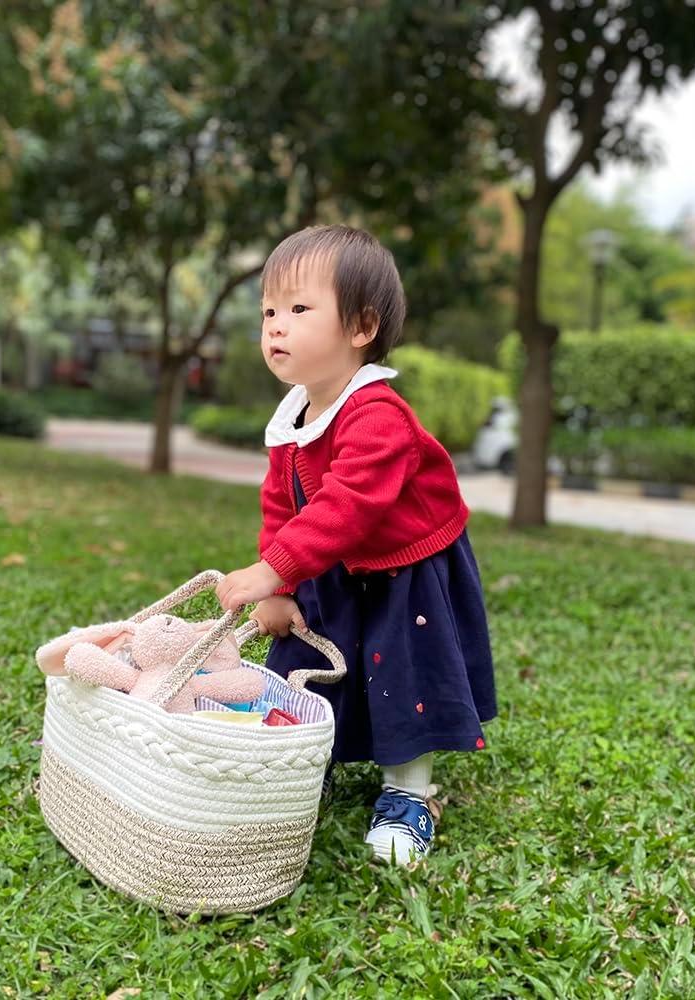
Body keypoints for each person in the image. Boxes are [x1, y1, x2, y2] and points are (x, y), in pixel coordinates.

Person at [215, 224, 497, 866]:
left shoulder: (377, 413)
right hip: (337, 563)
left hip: (403, 567)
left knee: (401, 674)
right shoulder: (294, 415)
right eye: (268, 312)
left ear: (361, 326)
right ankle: (306, 758)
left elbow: (350, 504)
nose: (275, 327)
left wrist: (272, 568)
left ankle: (408, 793)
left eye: (297, 309)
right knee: (308, 661)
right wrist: (282, 585)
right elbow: (280, 502)